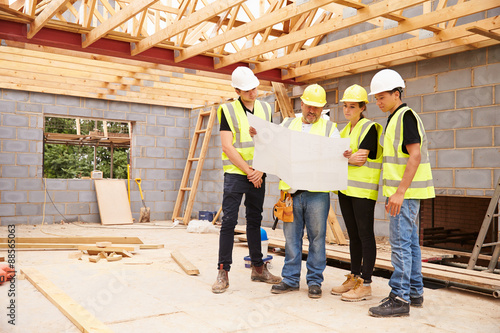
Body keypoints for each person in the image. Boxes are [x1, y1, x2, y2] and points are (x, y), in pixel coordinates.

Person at [367, 69, 435, 317]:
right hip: (403, 194)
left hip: (404, 195)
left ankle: (399, 298)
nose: (378, 102)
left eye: (381, 97)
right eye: (376, 98)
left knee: (400, 246)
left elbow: (414, 156)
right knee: (409, 245)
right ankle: (414, 292)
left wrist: (399, 193)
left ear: (396, 94)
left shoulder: (405, 117)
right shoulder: (395, 117)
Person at [212, 66, 281, 294]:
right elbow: (226, 145)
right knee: (229, 222)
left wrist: (259, 170)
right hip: (236, 173)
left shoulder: (265, 108)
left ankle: (258, 269)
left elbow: (269, 142)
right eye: (247, 90)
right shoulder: (227, 110)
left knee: (254, 220)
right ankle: (223, 271)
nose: (253, 92)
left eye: (254, 87)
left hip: (257, 173)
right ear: (237, 90)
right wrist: (249, 170)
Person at [269, 84, 341, 298]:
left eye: (317, 108)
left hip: (317, 193)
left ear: (322, 109)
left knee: (317, 238)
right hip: (291, 193)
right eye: (309, 106)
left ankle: (314, 281)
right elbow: (274, 148)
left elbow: (337, 156)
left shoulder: (330, 129)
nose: (312, 111)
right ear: (302, 104)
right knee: (291, 238)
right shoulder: (287, 124)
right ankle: (290, 279)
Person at [330, 84, 383, 302]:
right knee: (353, 236)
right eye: (345, 106)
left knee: (365, 235)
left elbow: (360, 159)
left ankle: (366, 284)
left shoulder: (369, 128)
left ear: (362, 108)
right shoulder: (344, 131)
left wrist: (345, 158)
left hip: (363, 192)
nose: (348, 110)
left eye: (353, 106)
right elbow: (338, 158)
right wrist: (345, 157)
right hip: (346, 190)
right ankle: (354, 276)